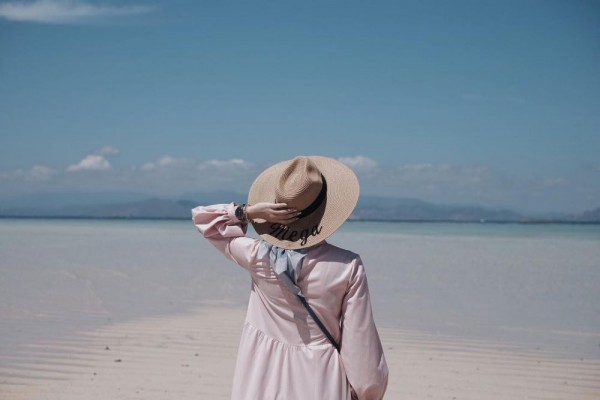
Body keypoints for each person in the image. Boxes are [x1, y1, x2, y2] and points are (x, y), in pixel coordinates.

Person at [192, 155, 388, 400]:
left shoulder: (257, 256)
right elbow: (361, 343)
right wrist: (368, 391)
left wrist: (248, 212)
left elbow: (205, 220)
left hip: (262, 371)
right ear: (326, 209)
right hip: (321, 375)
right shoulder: (347, 266)